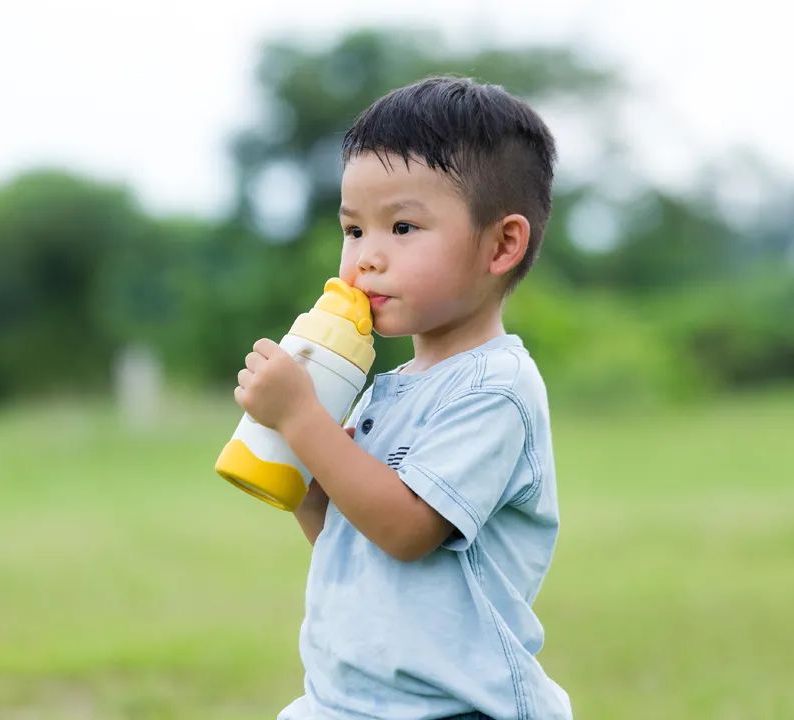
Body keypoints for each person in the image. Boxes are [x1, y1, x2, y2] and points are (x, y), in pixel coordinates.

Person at [232, 75, 571, 720]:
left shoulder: (494, 388)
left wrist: (303, 418)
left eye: (403, 226)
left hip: (453, 705)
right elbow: (350, 541)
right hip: (350, 699)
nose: (366, 258)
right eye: (353, 230)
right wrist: (304, 476)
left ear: (502, 244)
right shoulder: (385, 391)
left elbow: (408, 530)